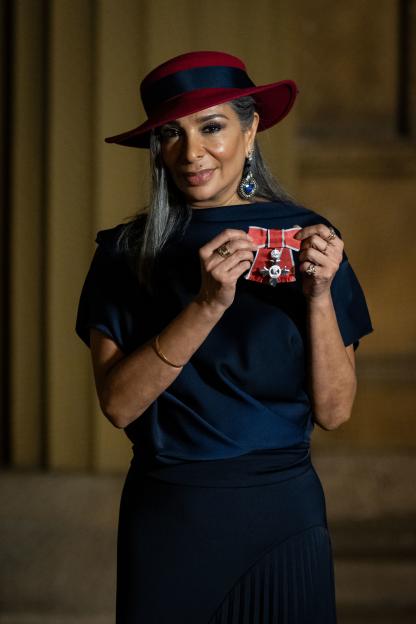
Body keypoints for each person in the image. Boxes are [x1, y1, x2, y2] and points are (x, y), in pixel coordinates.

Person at [76, 51, 373, 623]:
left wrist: (316, 297)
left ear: (251, 127)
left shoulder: (309, 238)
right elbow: (117, 405)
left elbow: (335, 412)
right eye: (171, 134)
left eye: (211, 127)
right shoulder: (126, 253)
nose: (192, 153)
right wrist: (208, 305)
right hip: (171, 519)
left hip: (283, 517)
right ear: (157, 148)